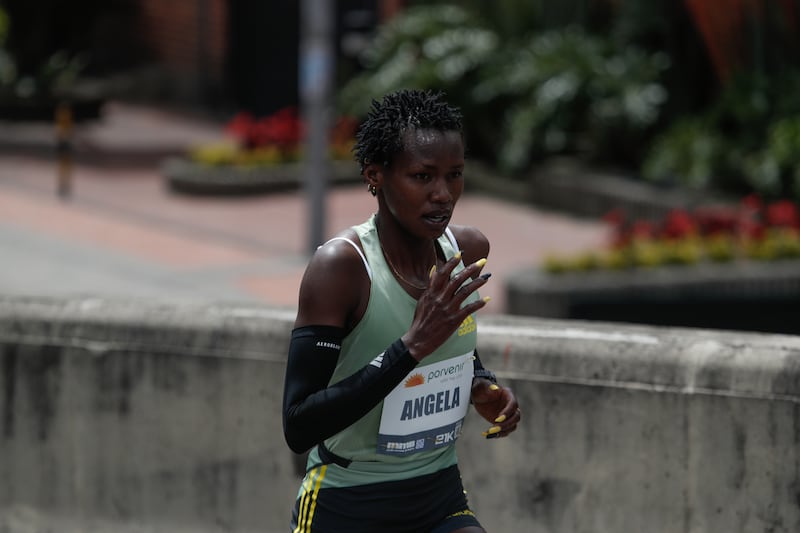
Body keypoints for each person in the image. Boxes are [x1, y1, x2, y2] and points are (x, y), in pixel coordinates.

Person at [282, 89, 521, 532]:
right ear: (376, 176)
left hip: (437, 495)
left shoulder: (465, 250)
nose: (443, 195)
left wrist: (481, 383)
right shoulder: (342, 269)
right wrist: (410, 347)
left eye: (454, 175)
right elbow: (298, 424)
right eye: (422, 176)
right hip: (347, 502)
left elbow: (453, 343)